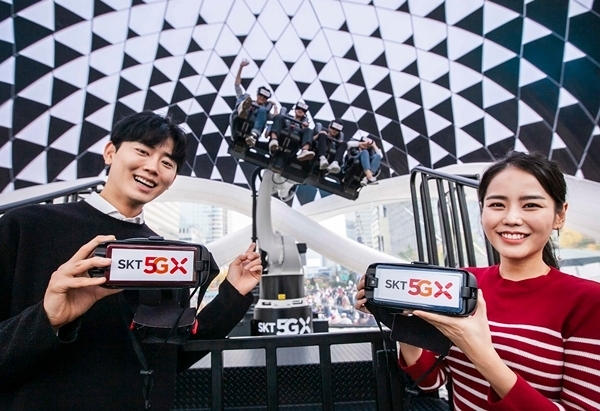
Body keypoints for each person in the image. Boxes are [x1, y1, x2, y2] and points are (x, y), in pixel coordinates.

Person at [0, 111, 263, 411]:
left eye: (167, 163)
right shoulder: (26, 227)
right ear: (110, 152)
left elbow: (167, 358)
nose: (152, 167)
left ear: (172, 179)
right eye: (143, 151)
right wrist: (47, 318)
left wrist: (233, 294)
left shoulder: (168, 256)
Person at [354, 151, 600, 410]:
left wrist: (479, 352)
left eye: (530, 205)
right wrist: (400, 319)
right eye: (497, 205)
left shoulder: (587, 301)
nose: (511, 219)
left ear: (560, 215)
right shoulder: (463, 283)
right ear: (482, 211)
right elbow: (431, 380)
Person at [231, 58, 277, 147]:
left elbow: (275, 118)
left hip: (254, 123)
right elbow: (237, 86)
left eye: (265, 97)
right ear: (257, 95)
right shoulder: (249, 101)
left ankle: (253, 135)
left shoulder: (264, 111)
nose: (262, 98)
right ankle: (243, 109)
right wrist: (241, 67)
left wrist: (274, 106)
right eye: (260, 95)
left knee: (262, 110)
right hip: (240, 116)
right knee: (245, 96)